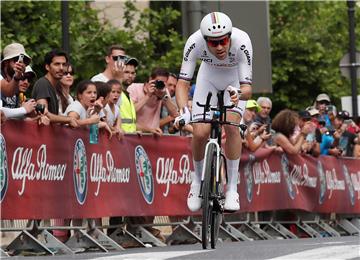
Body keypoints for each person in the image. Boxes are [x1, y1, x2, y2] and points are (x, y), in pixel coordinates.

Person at [174, 12, 253, 211]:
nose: (219, 47)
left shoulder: (242, 42)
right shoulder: (194, 42)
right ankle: (197, 181)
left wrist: (238, 95)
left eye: (223, 41)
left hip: (234, 83)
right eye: (213, 43)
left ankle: (232, 188)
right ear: (204, 40)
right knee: (200, 132)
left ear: (230, 37)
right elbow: (183, 84)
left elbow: (248, 90)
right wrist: (183, 111)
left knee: (232, 126)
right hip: (207, 78)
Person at [31, 49, 78, 127]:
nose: (61, 68)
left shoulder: (53, 87)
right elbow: (42, 113)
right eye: (57, 64)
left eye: (64, 64)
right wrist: (69, 119)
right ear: (47, 67)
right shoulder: (43, 83)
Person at [128, 68, 179, 136]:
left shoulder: (163, 91)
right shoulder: (134, 88)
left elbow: (175, 114)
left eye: (163, 83)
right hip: (135, 135)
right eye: (158, 81)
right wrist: (148, 95)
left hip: (153, 136)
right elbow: (130, 112)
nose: (160, 84)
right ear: (150, 79)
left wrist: (164, 96)